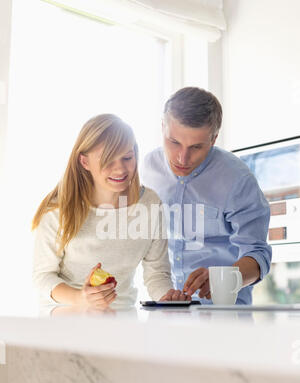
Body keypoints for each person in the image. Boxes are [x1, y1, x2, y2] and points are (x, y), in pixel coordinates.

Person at [32, 114, 190, 316]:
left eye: (127, 158)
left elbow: (157, 273)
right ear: (85, 162)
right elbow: (43, 276)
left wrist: (167, 298)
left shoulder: (149, 203)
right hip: (65, 318)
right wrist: (81, 298)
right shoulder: (59, 210)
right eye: (108, 160)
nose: (121, 169)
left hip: (122, 318)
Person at [141, 87, 272, 304]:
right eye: (174, 143)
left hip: (224, 313)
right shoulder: (147, 168)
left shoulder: (237, 180)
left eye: (196, 147)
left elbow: (258, 255)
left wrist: (226, 279)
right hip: (164, 310)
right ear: (163, 127)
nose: (183, 158)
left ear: (213, 139)